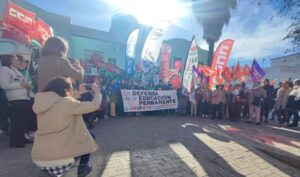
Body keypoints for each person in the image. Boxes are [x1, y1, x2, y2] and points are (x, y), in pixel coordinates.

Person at [31, 77, 101, 177]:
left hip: (40, 158)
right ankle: (83, 167)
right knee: (90, 135)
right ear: (65, 90)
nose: (72, 91)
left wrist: (79, 92)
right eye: (71, 88)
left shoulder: (41, 104)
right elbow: (94, 105)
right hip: (60, 160)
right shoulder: (66, 103)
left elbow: (63, 102)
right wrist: (98, 92)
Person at [0, 54, 34, 148]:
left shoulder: (15, 70)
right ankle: (15, 141)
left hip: (24, 97)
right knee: (17, 121)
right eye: (15, 59)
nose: (18, 61)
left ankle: (21, 138)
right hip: (15, 99)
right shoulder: (4, 70)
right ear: (10, 60)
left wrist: (27, 85)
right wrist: (21, 85)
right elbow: (4, 85)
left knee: (22, 120)